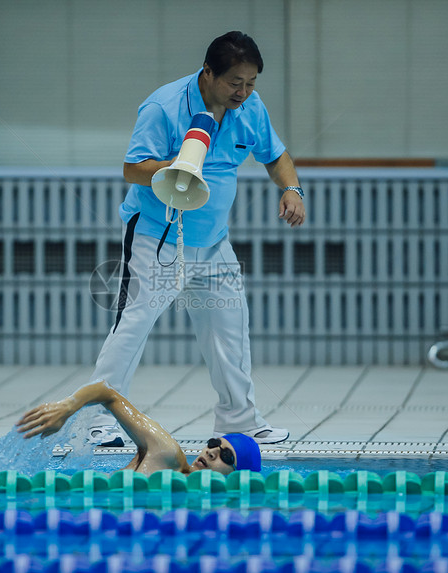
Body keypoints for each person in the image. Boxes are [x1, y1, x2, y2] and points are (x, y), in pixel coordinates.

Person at [88, 31, 305, 447]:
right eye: (234, 82)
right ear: (208, 73)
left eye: (251, 82)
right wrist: (179, 165)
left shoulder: (249, 107)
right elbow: (132, 168)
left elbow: (275, 155)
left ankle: (239, 421)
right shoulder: (164, 107)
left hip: (214, 241)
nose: (243, 91)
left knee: (229, 327)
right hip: (158, 235)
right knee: (133, 325)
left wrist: (292, 189)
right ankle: (98, 419)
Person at [16, 380, 261, 476]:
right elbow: (107, 393)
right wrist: (68, 407)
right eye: (214, 443)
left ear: (239, 477)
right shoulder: (166, 455)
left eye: (226, 455)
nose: (211, 452)